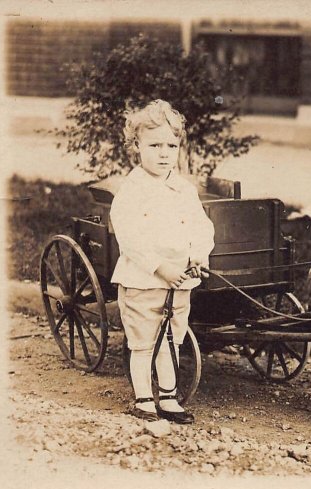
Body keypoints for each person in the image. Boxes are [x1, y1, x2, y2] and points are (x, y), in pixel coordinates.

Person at [110, 99, 215, 424]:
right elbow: (130, 237)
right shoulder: (132, 190)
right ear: (136, 146)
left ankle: (168, 397)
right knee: (143, 342)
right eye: (155, 145)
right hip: (145, 281)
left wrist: (198, 256)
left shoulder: (183, 189)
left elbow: (202, 226)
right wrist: (161, 267)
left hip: (180, 283)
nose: (164, 153)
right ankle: (144, 399)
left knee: (172, 340)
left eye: (171, 145)